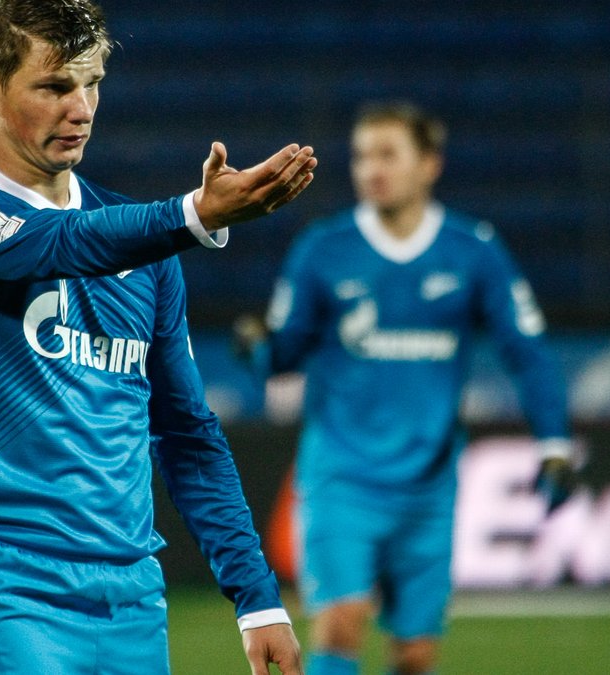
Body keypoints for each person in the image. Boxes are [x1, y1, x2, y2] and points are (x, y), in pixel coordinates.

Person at [0, 1, 318, 673]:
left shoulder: (146, 249)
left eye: (91, 83)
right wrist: (194, 214)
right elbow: (66, 243)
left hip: (130, 600)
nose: (81, 109)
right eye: (54, 86)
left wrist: (257, 599)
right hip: (1, 584)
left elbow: (186, 432)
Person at [235, 101, 576, 674]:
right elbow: (284, 355)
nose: (372, 169)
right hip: (342, 476)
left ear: (429, 164)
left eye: (388, 154)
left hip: (428, 485)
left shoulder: (473, 250)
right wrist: (259, 349)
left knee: (415, 654)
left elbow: (527, 351)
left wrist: (555, 444)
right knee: (341, 619)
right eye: (362, 156)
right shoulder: (324, 249)